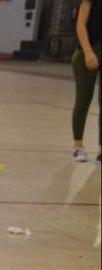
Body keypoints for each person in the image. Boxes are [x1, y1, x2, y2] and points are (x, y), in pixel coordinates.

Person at [71, 0, 100, 163]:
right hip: (86, 51)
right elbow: (80, 25)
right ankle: (78, 146)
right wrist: (88, 52)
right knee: (83, 99)